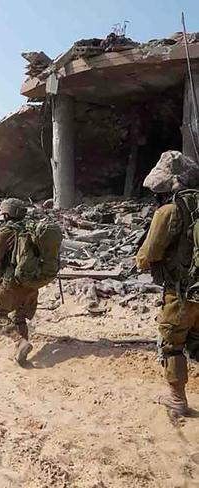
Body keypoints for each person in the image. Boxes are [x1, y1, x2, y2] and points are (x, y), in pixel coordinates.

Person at [136, 155, 199, 417]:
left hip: (182, 293)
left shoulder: (169, 211)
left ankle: (176, 399)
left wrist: (141, 261)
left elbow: (147, 255)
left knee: (172, 342)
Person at [0, 198, 36, 365]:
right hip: (33, 281)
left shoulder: (8, 230)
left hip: (12, 281)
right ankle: (21, 355)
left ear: (6, 214)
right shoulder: (33, 229)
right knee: (19, 316)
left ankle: (19, 342)